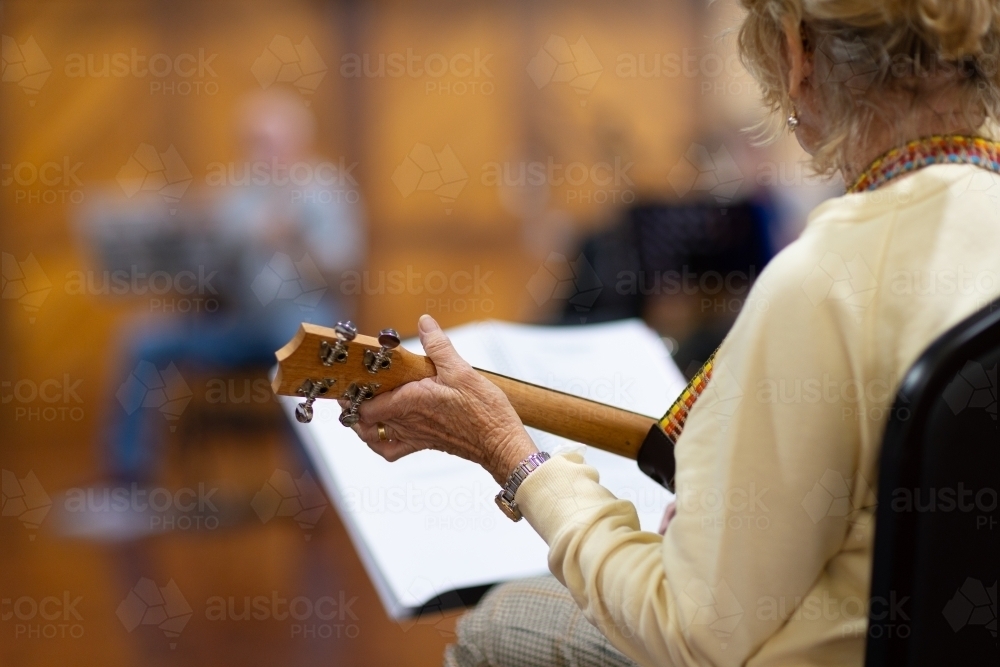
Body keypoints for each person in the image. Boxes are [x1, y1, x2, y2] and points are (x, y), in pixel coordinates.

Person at [346, 1, 1000, 665]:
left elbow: (688, 631)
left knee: (497, 624)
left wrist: (512, 457)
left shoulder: (828, 276)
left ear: (800, 52)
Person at [105, 88, 365, 483]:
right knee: (143, 340)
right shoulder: (233, 197)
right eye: (253, 142)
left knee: (308, 344)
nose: (261, 152)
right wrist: (199, 242)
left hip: (302, 319)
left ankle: (315, 481)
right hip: (242, 324)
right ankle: (127, 480)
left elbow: (344, 271)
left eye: (270, 141)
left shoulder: (325, 191)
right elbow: (209, 280)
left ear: (298, 142)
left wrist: (293, 238)